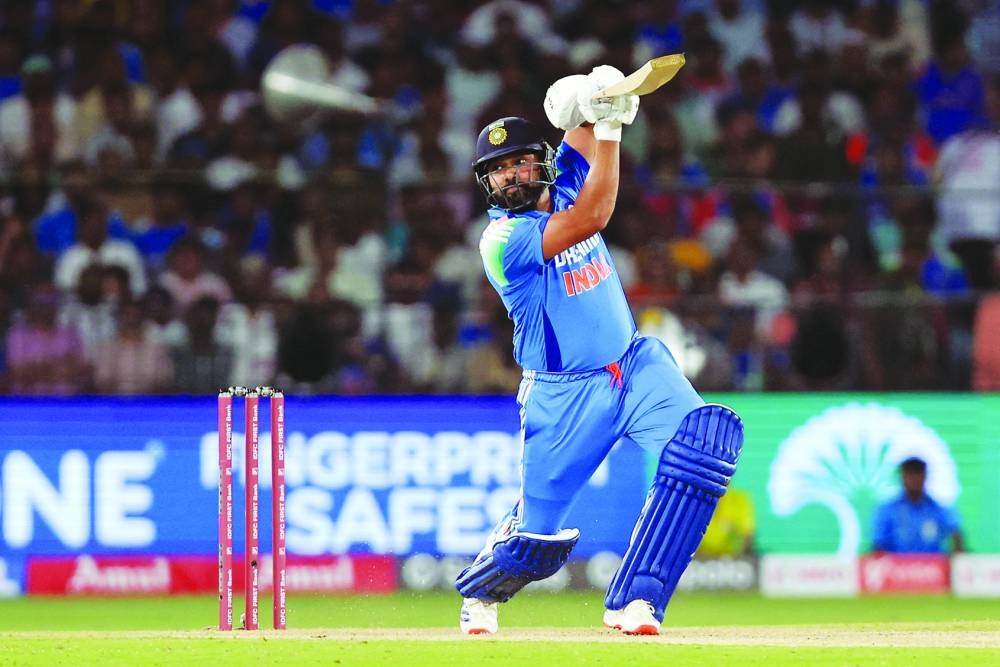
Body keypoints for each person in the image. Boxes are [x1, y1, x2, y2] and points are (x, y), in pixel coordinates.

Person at [455, 67, 744, 637]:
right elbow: (594, 215)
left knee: (703, 447)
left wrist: (591, 99)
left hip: (634, 364)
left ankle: (637, 600)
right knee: (536, 545)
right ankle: (481, 592)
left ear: (539, 161)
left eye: (517, 162)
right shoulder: (501, 241)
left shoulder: (561, 179)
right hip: (564, 396)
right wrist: (608, 129)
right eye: (497, 171)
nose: (510, 176)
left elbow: (586, 124)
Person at [872, 456, 965, 554]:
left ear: (925, 476)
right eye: (909, 473)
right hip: (896, 567)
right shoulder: (886, 510)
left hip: (932, 567)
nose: (914, 478)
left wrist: (956, 557)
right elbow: (878, 545)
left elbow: (956, 532)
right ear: (902, 477)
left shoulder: (937, 509)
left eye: (918, 473)